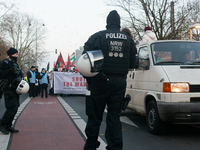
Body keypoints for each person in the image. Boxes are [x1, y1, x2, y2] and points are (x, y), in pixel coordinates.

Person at [83, 10, 137, 150]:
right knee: (114, 117)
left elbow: (84, 61)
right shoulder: (129, 40)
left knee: (95, 117)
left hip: (100, 81)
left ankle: (91, 146)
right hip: (119, 83)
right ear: (119, 23)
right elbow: (132, 64)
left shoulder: (98, 36)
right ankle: (115, 147)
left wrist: (91, 80)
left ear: (107, 22)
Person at [0, 47, 23, 134]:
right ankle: (2, 124)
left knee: (16, 106)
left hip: (15, 88)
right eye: (15, 54)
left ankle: (8, 125)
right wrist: (9, 71)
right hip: (8, 88)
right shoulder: (5, 63)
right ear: (10, 54)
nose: (17, 56)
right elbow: (1, 74)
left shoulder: (16, 64)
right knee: (11, 107)